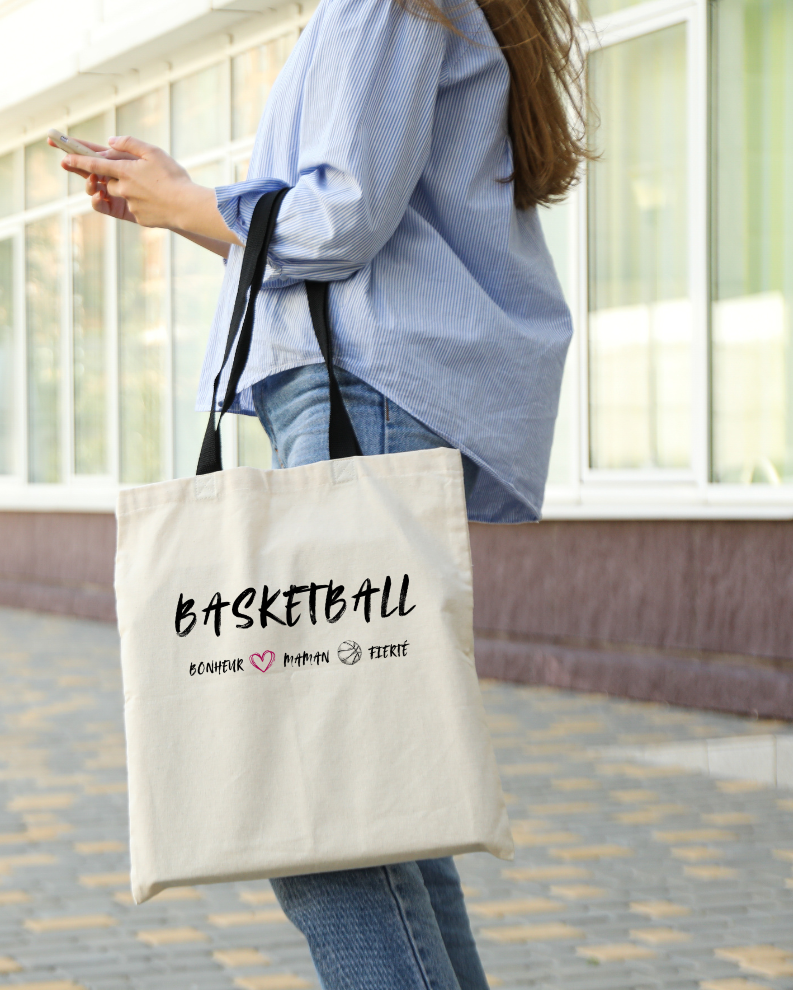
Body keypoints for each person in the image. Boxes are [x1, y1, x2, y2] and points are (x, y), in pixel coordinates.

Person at [62, 0, 589, 984]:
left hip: (359, 397)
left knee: (322, 812)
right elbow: (344, 221)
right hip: (368, 395)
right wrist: (189, 200)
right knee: (376, 801)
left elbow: (341, 219)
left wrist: (189, 202)